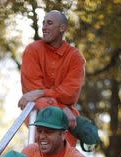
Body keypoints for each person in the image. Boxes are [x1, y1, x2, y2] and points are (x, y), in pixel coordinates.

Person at [18, 10, 86, 145]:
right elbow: (32, 89)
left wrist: (42, 93)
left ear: (62, 28)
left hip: (67, 125)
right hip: (39, 120)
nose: (44, 27)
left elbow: (70, 94)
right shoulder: (32, 50)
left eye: (49, 23)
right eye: (43, 23)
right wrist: (63, 108)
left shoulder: (76, 58)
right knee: (41, 104)